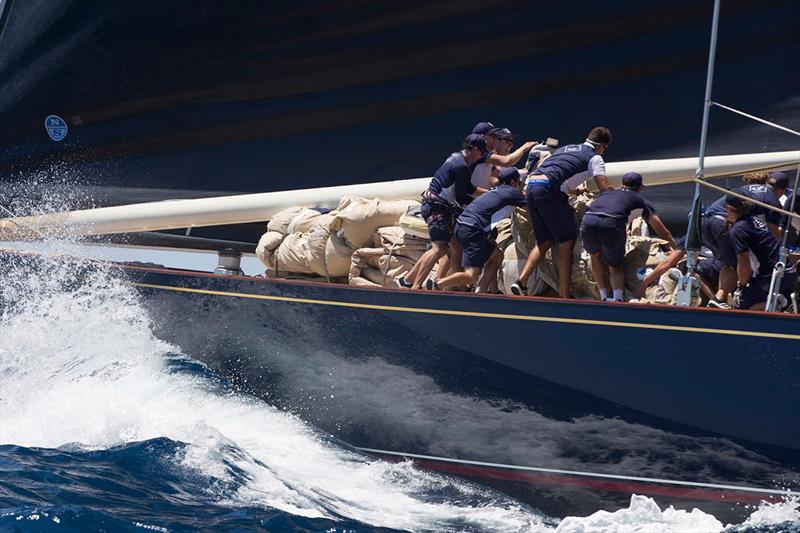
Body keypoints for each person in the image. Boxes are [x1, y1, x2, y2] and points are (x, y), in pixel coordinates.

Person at [510, 126, 614, 298]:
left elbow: (558, 172)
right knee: (565, 242)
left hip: (532, 186)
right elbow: (603, 184)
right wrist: (617, 196)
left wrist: (572, 191)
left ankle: (521, 282)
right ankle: (564, 294)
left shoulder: (567, 148)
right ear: (602, 147)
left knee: (544, 242)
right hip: (549, 191)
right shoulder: (595, 158)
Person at [400, 134, 488, 289]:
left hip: (434, 205)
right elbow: (461, 197)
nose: (481, 156)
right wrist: (481, 204)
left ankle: (407, 281)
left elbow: (468, 188)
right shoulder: (462, 167)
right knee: (439, 249)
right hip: (436, 208)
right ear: (474, 149)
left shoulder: (455, 157)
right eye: (482, 152)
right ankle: (416, 287)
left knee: (455, 248)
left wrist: (489, 193)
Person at [580, 172, 675, 301]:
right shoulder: (641, 201)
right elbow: (662, 231)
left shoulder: (607, 193)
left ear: (621, 184)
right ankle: (618, 299)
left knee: (595, 255)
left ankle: (602, 297)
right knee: (615, 266)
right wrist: (675, 250)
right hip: (611, 223)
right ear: (640, 188)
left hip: (588, 220)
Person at [430, 167, 527, 290]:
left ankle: (481, 292)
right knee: (471, 276)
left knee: (497, 256)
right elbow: (533, 205)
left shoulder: (493, 191)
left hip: (461, 225)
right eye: (519, 183)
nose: (519, 185)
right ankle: (437, 284)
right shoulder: (512, 192)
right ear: (513, 182)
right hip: (473, 229)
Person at [701, 173, 785, 307]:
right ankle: (722, 298)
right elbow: (774, 235)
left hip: (706, 221)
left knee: (728, 264)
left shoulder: (742, 190)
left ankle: (719, 299)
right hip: (725, 222)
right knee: (741, 265)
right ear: (782, 190)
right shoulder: (773, 201)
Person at [726, 195, 797, 310]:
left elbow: (744, 264)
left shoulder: (738, 229)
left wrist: (741, 286)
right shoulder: (756, 220)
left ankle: (774, 304)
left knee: (742, 305)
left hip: (771, 277)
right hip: (789, 272)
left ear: (729, 208)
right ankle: (780, 304)